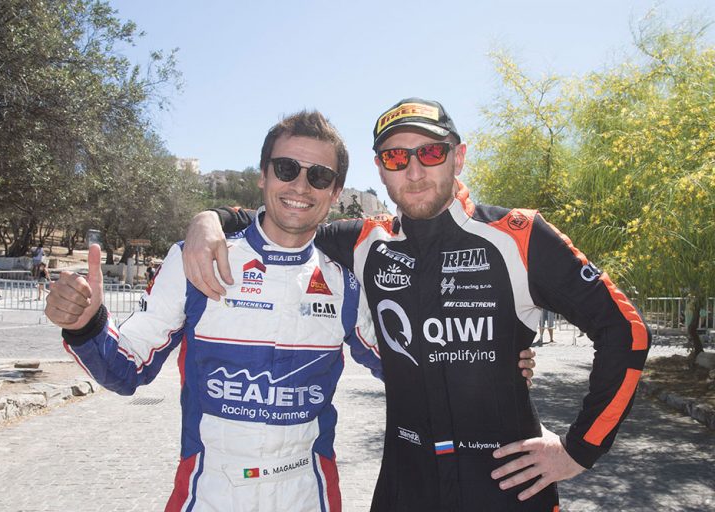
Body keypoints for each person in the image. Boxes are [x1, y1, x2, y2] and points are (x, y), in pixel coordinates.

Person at [183, 97, 651, 511]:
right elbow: (283, 219)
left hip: (506, 488)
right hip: (407, 486)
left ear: (458, 157)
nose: (413, 171)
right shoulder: (366, 242)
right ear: (380, 169)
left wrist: (579, 449)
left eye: (430, 153)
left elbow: (625, 331)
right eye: (396, 157)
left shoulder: (519, 236)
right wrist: (208, 218)